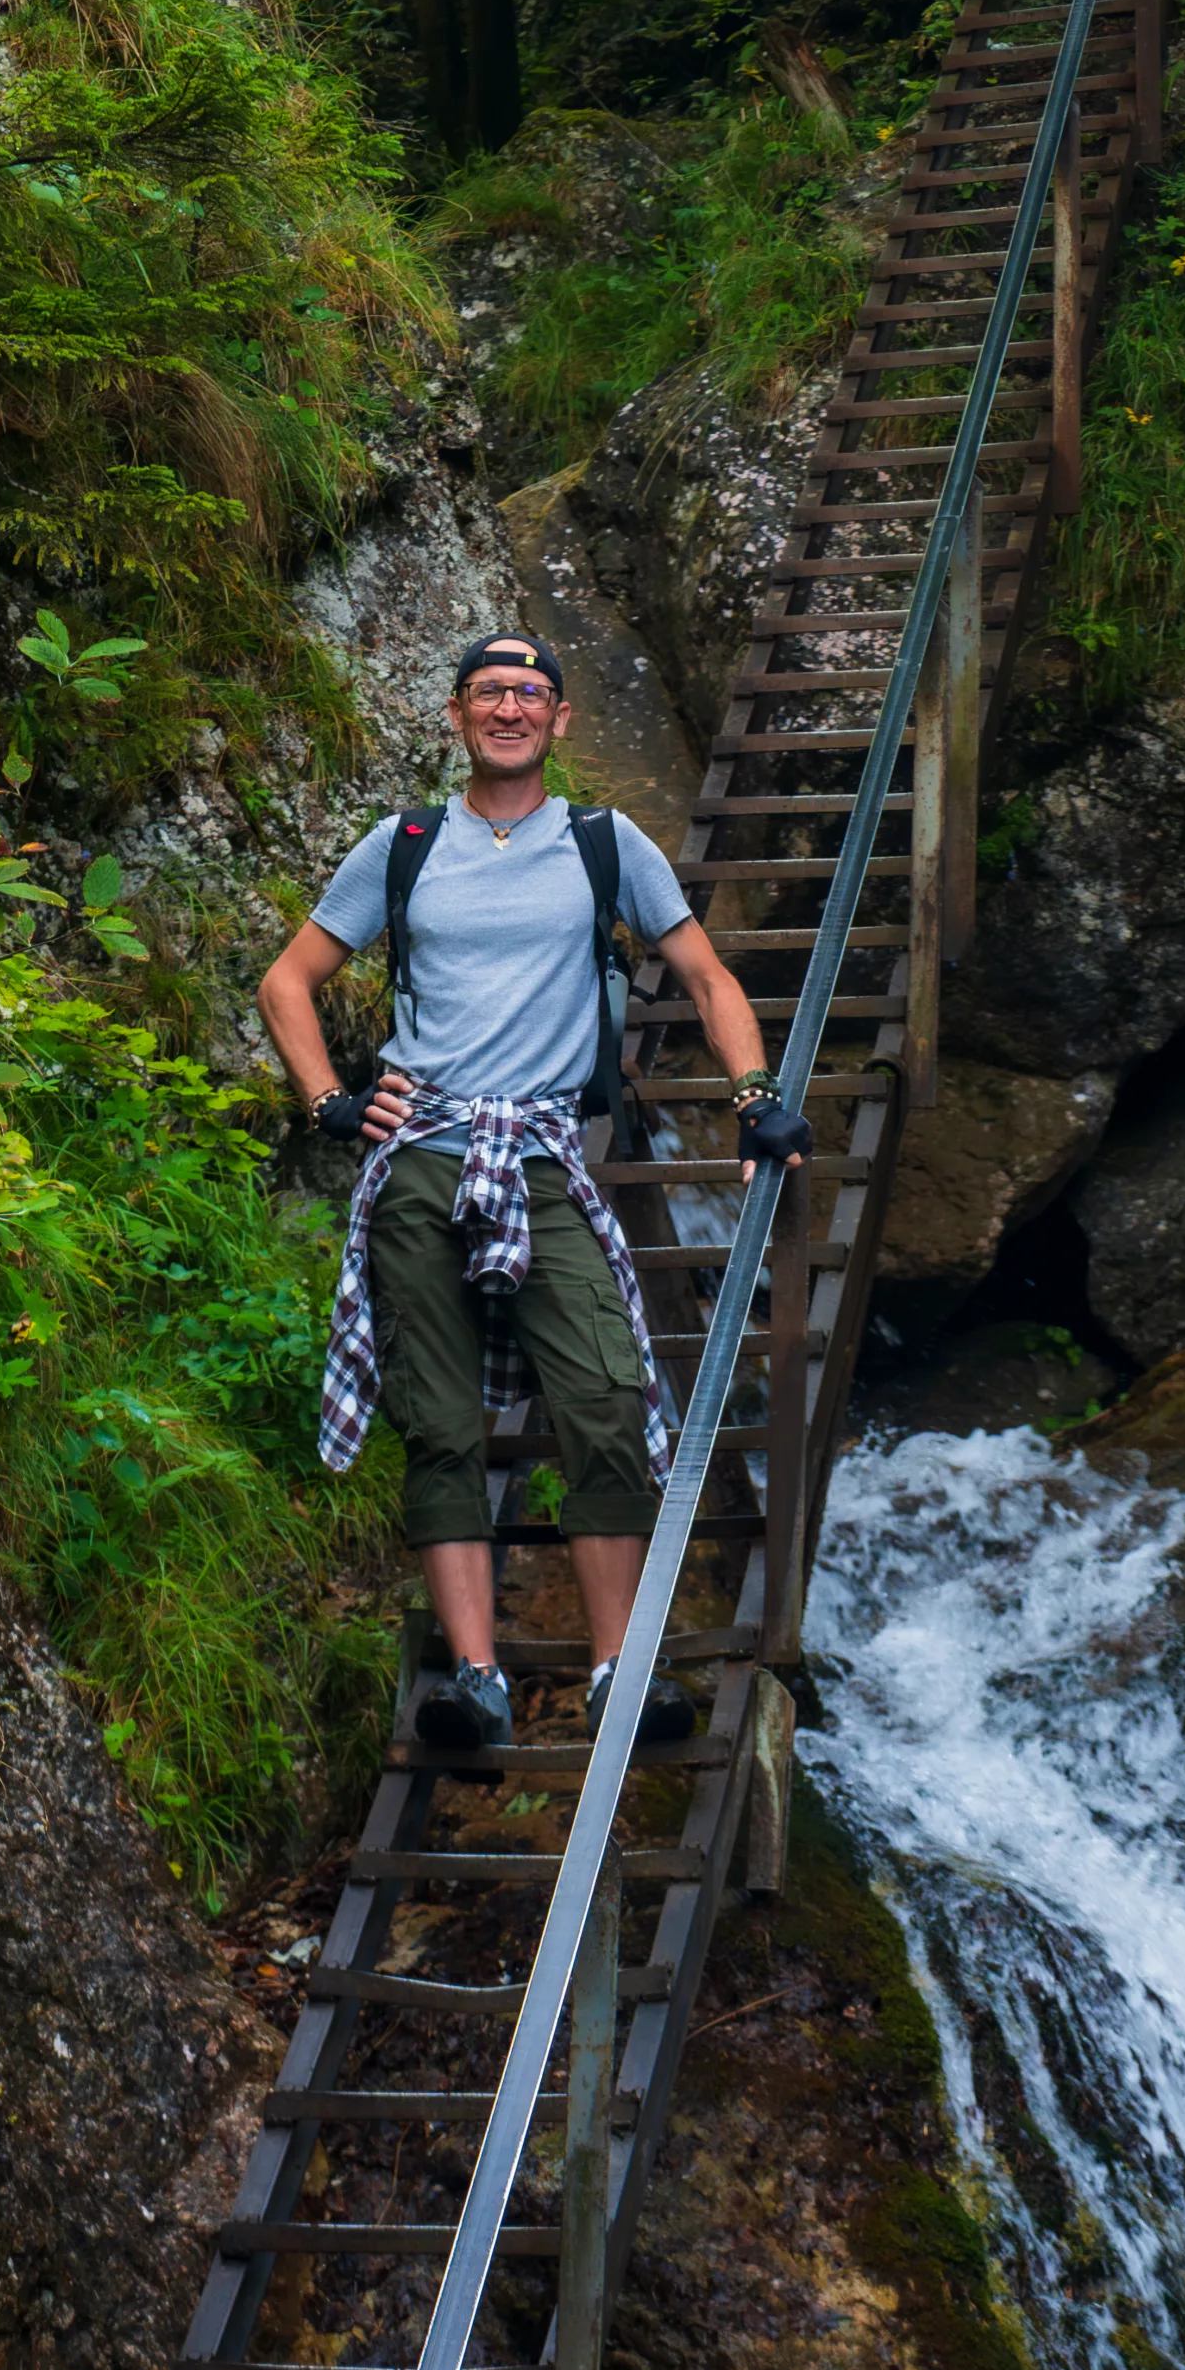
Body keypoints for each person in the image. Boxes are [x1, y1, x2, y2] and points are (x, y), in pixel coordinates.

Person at [258, 633, 809, 1754]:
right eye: (488, 691)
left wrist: (756, 1095)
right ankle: (474, 1678)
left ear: (559, 721)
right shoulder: (402, 845)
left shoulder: (604, 845)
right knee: (440, 1419)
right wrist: (329, 1101)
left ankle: (615, 1672)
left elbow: (707, 976)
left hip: (546, 1159)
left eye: (530, 693)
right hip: (421, 1157)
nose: (509, 707)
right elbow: (288, 979)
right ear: (457, 714)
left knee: (604, 1401)